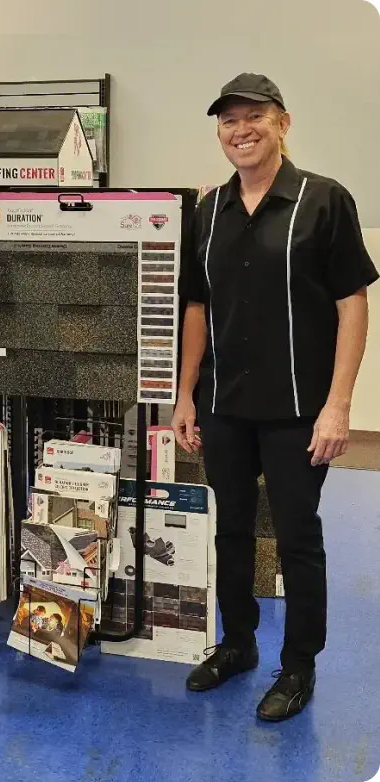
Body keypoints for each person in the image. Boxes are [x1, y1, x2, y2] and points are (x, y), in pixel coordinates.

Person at [173, 73, 378, 722]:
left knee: (296, 538)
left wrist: (339, 404)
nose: (241, 129)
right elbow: (197, 306)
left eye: (254, 116)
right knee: (231, 532)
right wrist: (185, 395)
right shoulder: (208, 211)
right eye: (229, 120)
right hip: (224, 405)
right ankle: (236, 644)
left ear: (282, 123)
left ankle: (298, 666)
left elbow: (353, 304)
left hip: (298, 411)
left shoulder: (323, 201)